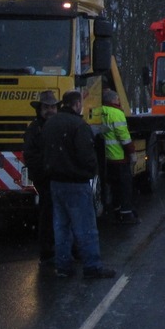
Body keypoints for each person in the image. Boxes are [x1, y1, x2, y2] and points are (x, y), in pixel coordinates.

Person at [42, 90, 116, 279]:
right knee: (86, 228)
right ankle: (92, 266)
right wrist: (91, 171)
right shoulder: (79, 126)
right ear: (76, 105)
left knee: (61, 227)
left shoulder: (50, 124)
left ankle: (63, 266)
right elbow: (86, 157)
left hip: (56, 182)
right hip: (76, 183)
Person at [23, 89, 59, 262]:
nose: (50, 110)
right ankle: (47, 248)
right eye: (46, 107)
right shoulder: (34, 129)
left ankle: (56, 246)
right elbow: (30, 155)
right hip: (44, 177)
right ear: (40, 109)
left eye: (53, 107)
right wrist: (45, 169)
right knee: (47, 212)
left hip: (57, 175)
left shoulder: (56, 125)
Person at [100, 88, 139, 224]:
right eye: (117, 99)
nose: (118, 101)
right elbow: (124, 137)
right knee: (125, 187)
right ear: (112, 100)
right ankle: (126, 214)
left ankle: (116, 211)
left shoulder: (100, 111)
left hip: (108, 158)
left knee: (115, 187)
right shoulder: (116, 113)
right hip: (119, 158)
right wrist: (132, 153)